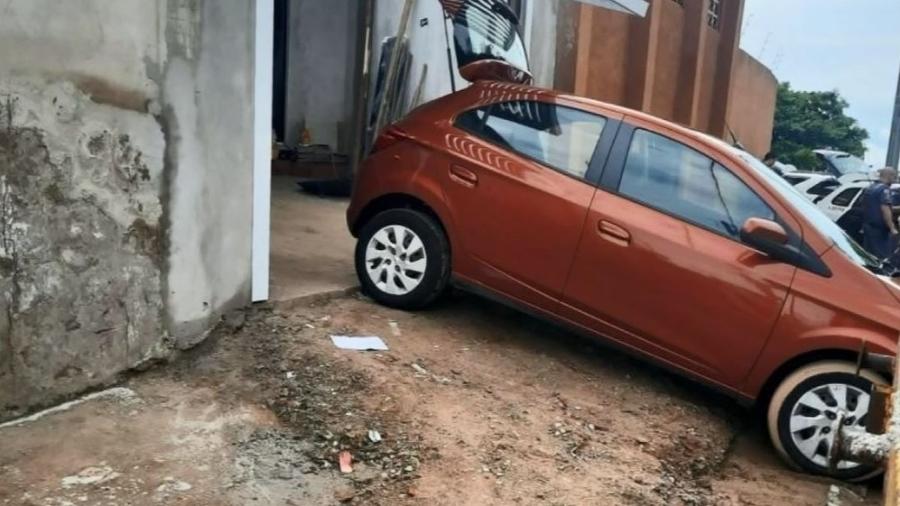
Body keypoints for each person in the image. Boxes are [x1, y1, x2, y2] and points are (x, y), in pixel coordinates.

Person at [861, 167, 898, 259]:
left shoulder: (871, 187)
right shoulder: (884, 189)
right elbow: (885, 209)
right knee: (881, 258)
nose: (895, 180)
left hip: (868, 226)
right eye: (894, 177)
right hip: (879, 230)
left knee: (869, 257)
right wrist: (892, 228)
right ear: (889, 176)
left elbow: (871, 206)